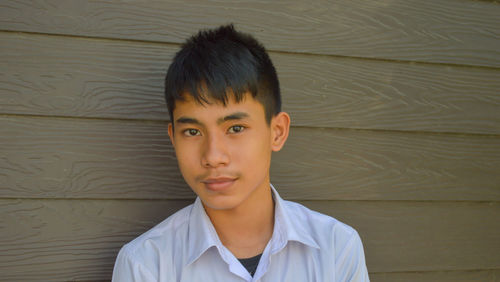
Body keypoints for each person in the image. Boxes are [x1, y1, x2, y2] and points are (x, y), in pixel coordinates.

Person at [112, 24, 369, 282]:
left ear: (277, 132)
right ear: (173, 139)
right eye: (192, 132)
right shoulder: (145, 264)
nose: (213, 156)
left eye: (235, 128)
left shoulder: (336, 248)